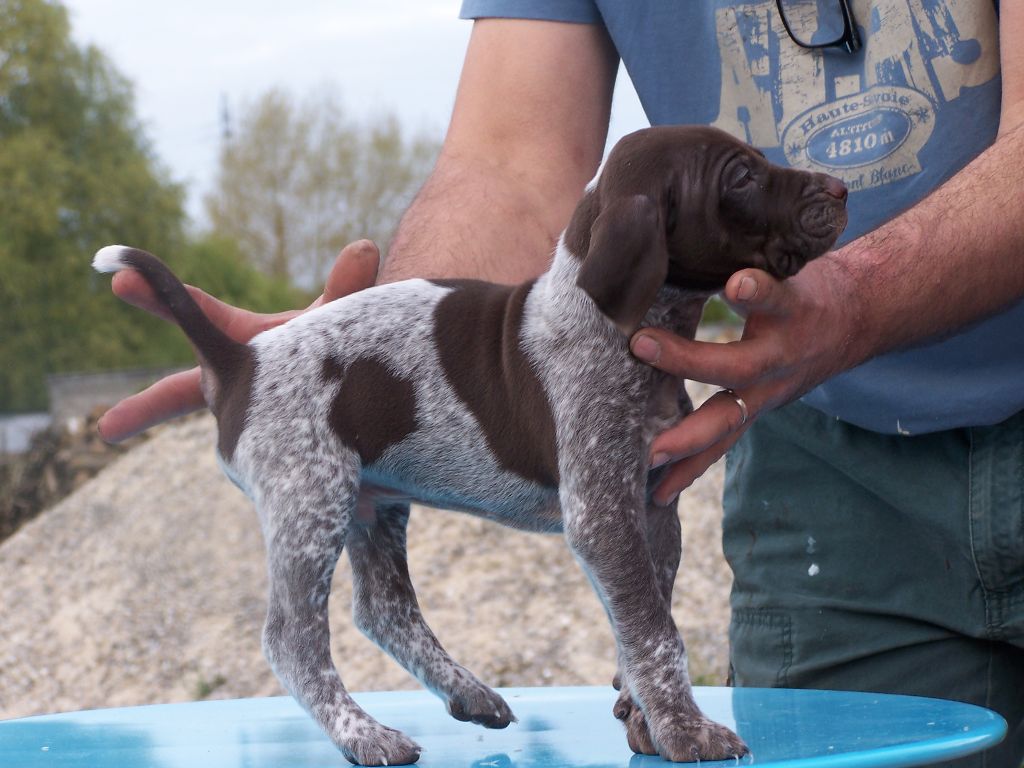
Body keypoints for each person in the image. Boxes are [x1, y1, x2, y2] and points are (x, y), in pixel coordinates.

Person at [102, 3, 1023, 765]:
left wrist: (853, 301)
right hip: (828, 476)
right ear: (642, 252)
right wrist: (344, 344)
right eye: (742, 181)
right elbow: (508, 165)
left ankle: (642, 692)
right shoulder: (605, 335)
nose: (806, 187)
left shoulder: (634, 337)